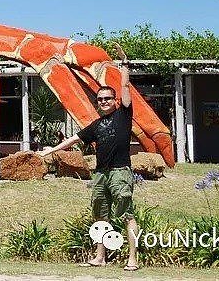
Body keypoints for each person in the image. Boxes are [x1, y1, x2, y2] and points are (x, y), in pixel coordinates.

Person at [38, 43, 139, 271]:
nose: (103, 101)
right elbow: (73, 139)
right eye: (100, 99)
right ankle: (99, 257)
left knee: (126, 214)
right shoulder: (95, 125)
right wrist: (50, 151)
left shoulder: (124, 115)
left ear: (115, 101)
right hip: (101, 175)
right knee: (100, 217)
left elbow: (124, 85)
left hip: (120, 172)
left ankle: (132, 258)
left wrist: (124, 63)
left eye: (107, 98)